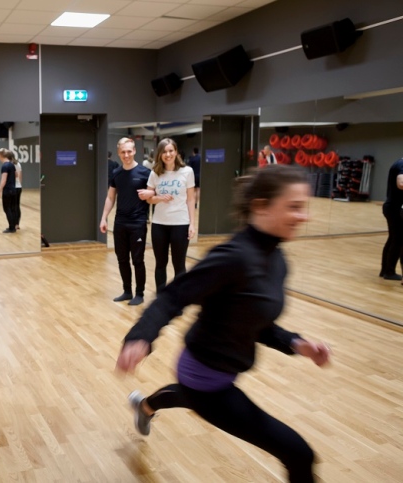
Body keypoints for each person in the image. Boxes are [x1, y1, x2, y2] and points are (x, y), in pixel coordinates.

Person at [117, 164, 332, 483]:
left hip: (215, 371)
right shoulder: (235, 256)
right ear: (261, 206)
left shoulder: (277, 259)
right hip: (205, 378)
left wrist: (296, 343)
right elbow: (173, 296)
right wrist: (141, 337)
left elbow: (254, 319)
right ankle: (147, 405)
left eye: (305, 208)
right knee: (298, 453)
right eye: (294, 207)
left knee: (183, 396)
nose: (304, 217)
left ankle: (145, 406)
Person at [99, 137, 152, 306]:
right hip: (120, 223)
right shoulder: (116, 173)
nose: (126, 155)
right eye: (123, 152)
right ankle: (127, 291)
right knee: (122, 259)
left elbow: (153, 195)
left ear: (134, 151)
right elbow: (110, 197)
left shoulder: (145, 173)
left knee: (138, 259)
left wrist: (151, 194)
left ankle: (140, 293)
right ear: (119, 153)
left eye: (129, 151)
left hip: (138, 223)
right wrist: (104, 218)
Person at [146, 138, 196, 293]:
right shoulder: (155, 173)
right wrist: (160, 198)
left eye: (171, 151)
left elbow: (191, 199)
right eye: (164, 152)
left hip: (180, 224)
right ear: (160, 154)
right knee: (160, 263)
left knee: (179, 264)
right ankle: (161, 299)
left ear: (176, 152)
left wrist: (192, 224)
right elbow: (149, 198)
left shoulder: (187, 172)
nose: (168, 154)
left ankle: (178, 300)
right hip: (159, 224)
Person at [380, 157, 403, 281]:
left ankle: (385, 270)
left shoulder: (398, 163)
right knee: (398, 239)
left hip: (392, 207)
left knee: (393, 238)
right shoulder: (402, 164)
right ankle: (389, 272)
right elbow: (401, 183)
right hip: (395, 209)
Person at [0, 147, 18, 233]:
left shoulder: (4, 166)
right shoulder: (12, 165)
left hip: (7, 190)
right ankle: (14, 226)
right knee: (12, 208)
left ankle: (11, 228)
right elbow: (16, 175)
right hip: (13, 189)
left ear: (1, 155)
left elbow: (3, 179)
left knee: (7, 208)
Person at [12, 153, 23, 230]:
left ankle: (13, 223)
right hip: (18, 187)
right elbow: (20, 177)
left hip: (13, 187)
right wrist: (19, 184)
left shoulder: (9, 165)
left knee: (13, 206)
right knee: (17, 205)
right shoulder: (18, 164)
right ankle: (17, 224)